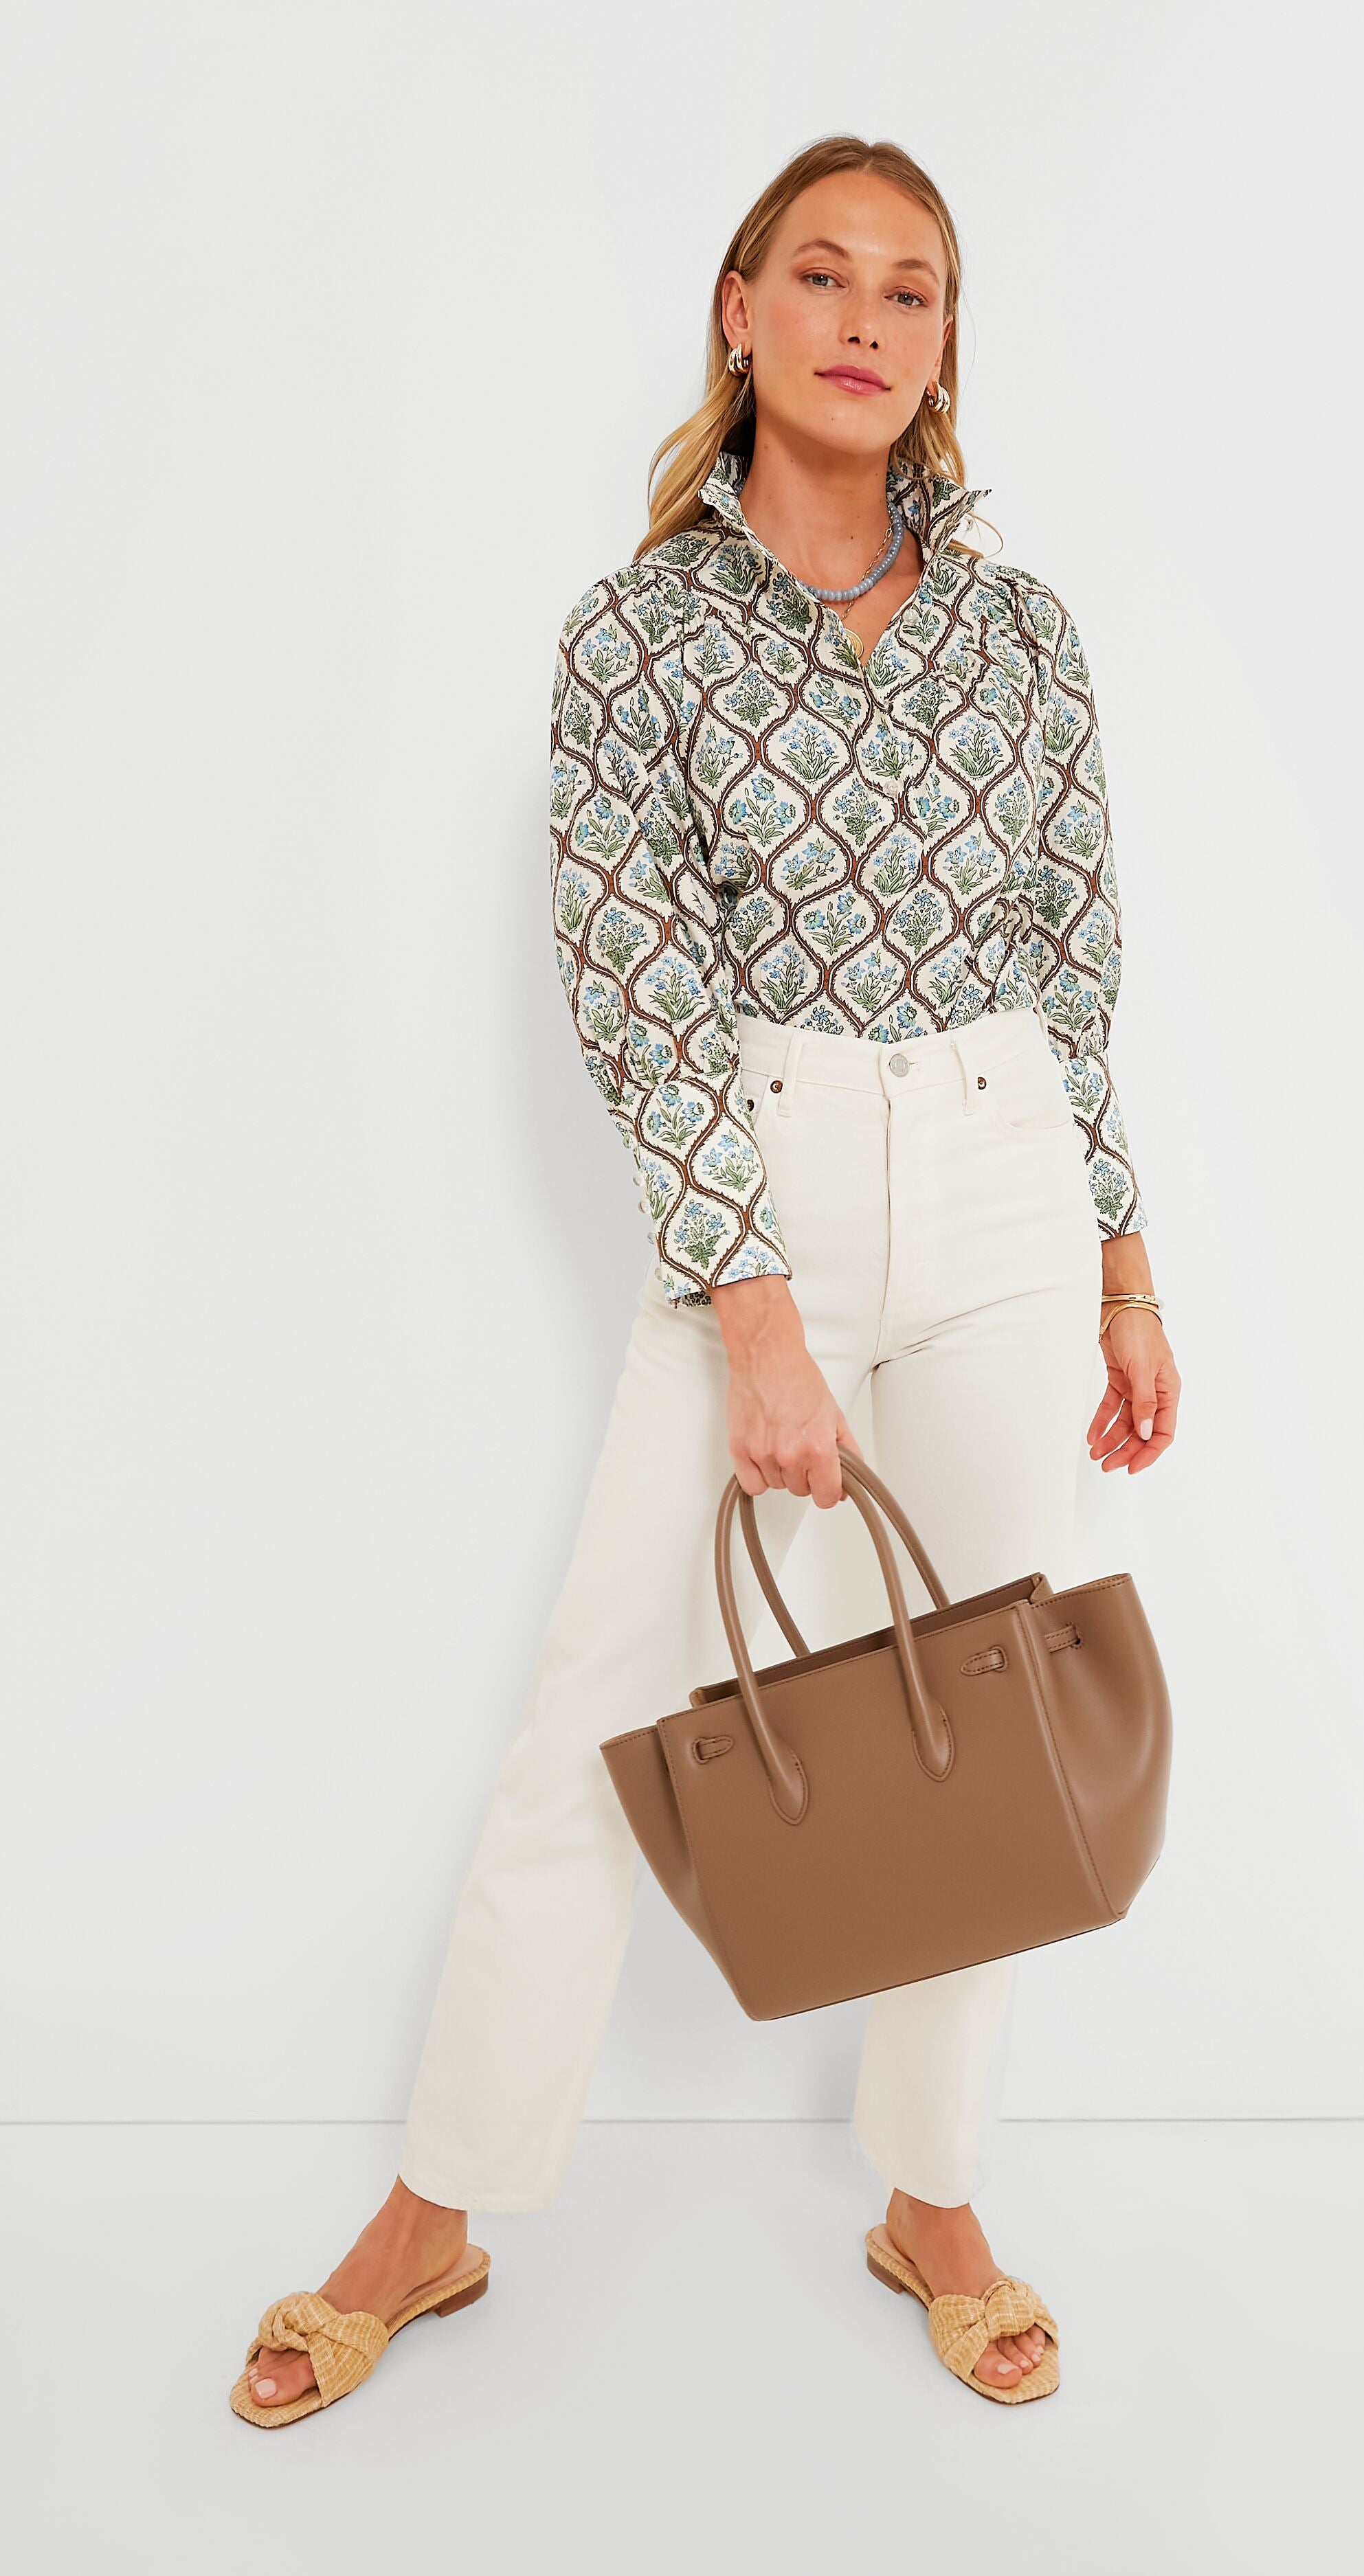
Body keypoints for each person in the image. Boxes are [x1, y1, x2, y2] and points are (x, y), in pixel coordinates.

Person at [231, 131, 1180, 2427]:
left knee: (986, 1707)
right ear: (741, 314)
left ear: (944, 347)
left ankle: (931, 2196)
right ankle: (438, 2208)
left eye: (910, 289)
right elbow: (639, 988)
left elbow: (1073, 959)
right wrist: (754, 1314)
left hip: (1004, 1171)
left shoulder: (1020, 632)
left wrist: (1125, 1261)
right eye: (820, 276)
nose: (865, 320)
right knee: (601, 1705)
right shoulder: (635, 635)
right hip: (763, 1166)